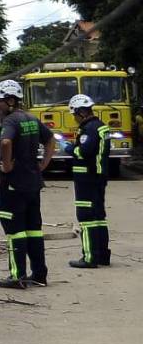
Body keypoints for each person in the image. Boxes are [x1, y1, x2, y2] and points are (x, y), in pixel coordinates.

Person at [0, 78, 55, 290]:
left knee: (15, 231)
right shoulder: (31, 118)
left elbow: (6, 142)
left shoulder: (10, 121)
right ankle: (39, 275)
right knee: (34, 230)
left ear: (10, 100)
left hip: (14, 187)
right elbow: (50, 139)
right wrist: (44, 164)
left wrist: (7, 165)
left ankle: (17, 276)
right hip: (33, 184)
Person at [65, 94, 112, 268]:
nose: (75, 118)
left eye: (74, 114)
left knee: (86, 218)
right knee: (99, 217)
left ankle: (90, 257)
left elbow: (84, 152)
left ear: (81, 112)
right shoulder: (101, 127)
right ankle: (102, 255)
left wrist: (70, 148)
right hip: (98, 177)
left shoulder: (89, 129)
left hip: (87, 179)